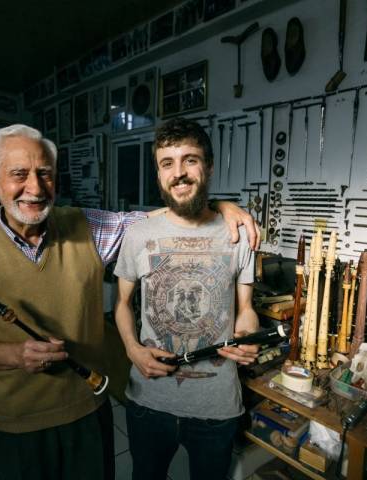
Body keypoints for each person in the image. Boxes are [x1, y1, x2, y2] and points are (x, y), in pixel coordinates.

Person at [0, 123, 259, 480]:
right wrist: (14, 355)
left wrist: (221, 205)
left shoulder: (87, 227)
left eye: (45, 174)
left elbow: (166, 216)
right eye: (19, 175)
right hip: (16, 423)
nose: (35, 188)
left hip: (88, 409)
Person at [114, 118, 260, 480]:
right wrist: (132, 349)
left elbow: (246, 310)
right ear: (158, 173)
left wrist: (248, 335)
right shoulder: (137, 234)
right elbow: (120, 305)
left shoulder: (238, 233)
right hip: (149, 401)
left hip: (217, 405)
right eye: (167, 163)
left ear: (208, 166)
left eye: (190, 160)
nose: (178, 173)